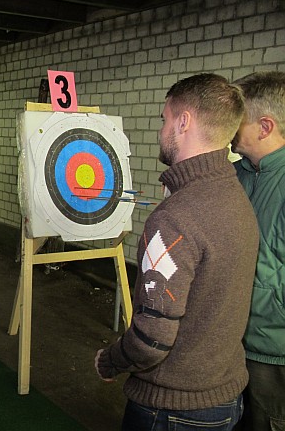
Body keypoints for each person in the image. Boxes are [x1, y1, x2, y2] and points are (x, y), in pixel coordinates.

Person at [94, 73, 259, 430]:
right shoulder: (234, 193)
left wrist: (109, 361)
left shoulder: (174, 218)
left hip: (173, 411)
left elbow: (151, 340)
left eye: (164, 119)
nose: (161, 130)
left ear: (183, 122)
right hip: (225, 398)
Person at [231, 71, 285, 431]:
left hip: (272, 351)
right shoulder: (234, 174)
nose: (228, 128)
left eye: (237, 120)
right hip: (231, 340)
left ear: (264, 126)